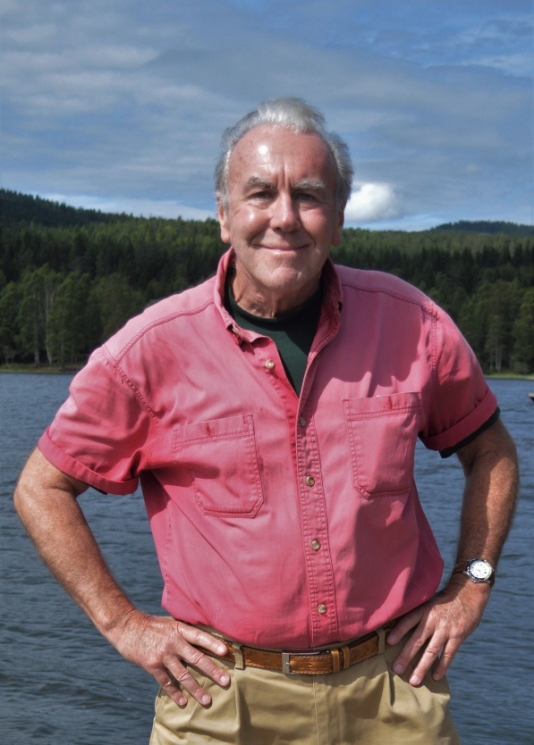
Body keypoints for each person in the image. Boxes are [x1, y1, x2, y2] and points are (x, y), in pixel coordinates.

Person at [14, 98, 518, 745]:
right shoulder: (149, 352)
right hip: (222, 702)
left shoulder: (412, 324)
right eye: (259, 194)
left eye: (309, 195)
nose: (284, 217)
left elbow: (492, 451)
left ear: (338, 219)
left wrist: (472, 584)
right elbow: (41, 488)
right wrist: (123, 625)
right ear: (224, 216)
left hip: (394, 691)